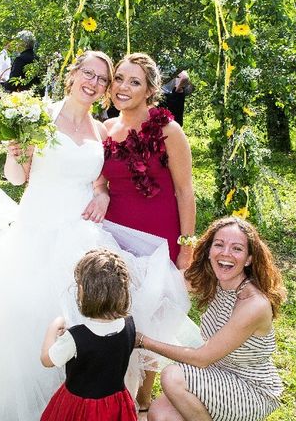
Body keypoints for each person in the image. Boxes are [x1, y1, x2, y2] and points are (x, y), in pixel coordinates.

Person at [0, 50, 196, 420]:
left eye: (101, 79)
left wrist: (102, 193)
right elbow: (16, 177)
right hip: (35, 232)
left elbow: (100, 179)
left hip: (83, 237)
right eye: (88, 74)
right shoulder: (40, 117)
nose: (93, 83)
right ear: (73, 74)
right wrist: (15, 155)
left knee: (93, 322)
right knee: (19, 324)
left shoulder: (100, 129)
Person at [102, 53, 196, 411]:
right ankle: (116, 391)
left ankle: (141, 402)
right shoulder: (107, 128)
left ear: (151, 90)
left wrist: (186, 245)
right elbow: (100, 182)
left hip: (158, 237)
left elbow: (185, 191)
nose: (123, 88)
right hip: (114, 237)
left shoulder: (169, 131)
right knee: (119, 312)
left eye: (134, 82)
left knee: (152, 318)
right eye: (119, 79)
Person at [142, 216, 286, 421]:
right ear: (209, 251)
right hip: (218, 373)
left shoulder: (253, 304)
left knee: (172, 376)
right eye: (219, 245)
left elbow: (201, 358)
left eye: (237, 248)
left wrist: (143, 341)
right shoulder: (215, 279)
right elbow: (163, 282)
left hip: (251, 389)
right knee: (159, 414)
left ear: (249, 259)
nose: (225, 253)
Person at [40, 248, 138, 421]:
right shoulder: (129, 324)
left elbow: (47, 360)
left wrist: (54, 326)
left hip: (79, 409)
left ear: (82, 291)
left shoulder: (75, 338)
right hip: (115, 404)